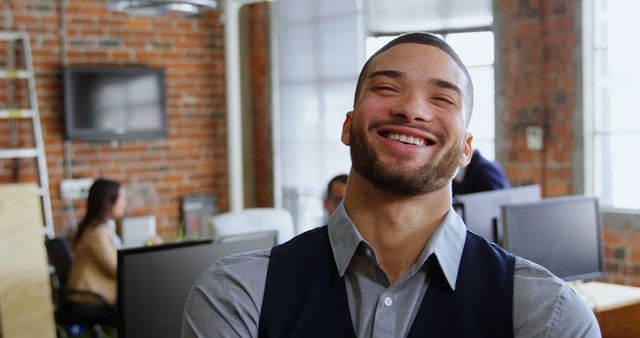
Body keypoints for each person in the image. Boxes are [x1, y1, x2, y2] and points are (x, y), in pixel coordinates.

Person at [182, 33, 599, 337]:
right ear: (348, 126)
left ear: (466, 149)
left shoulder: (548, 315)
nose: (411, 109)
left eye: (442, 98)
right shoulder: (237, 295)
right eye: (386, 88)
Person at [67, 178, 125, 310]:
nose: (124, 202)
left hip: (93, 295)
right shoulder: (97, 233)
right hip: (90, 298)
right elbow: (116, 269)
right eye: (121, 198)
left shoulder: (96, 228)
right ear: (109, 201)